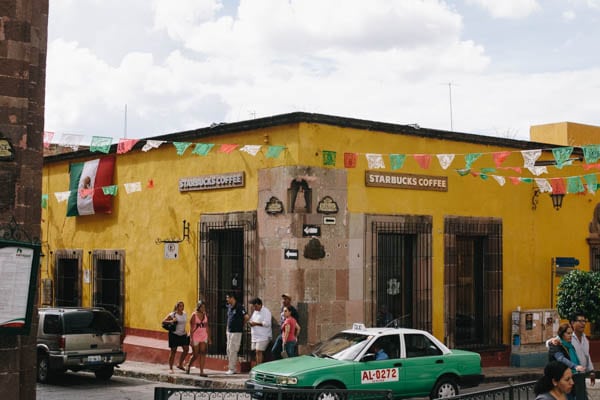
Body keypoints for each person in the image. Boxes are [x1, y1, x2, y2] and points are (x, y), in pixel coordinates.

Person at [548, 314, 596, 400]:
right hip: (566, 377)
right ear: (573, 323)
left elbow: (587, 356)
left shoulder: (584, 339)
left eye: (584, 321)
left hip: (579, 376)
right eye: (580, 321)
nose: (583, 323)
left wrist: (591, 371)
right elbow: (559, 356)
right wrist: (575, 366)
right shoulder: (561, 342)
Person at [162, 300, 189, 373]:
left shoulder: (185, 314)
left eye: (183, 306)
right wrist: (171, 321)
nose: (182, 307)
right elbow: (163, 321)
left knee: (186, 349)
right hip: (174, 334)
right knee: (173, 351)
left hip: (183, 334)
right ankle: (171, 368)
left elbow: (184, 324)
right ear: (177, 307)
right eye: (180, 306)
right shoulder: (173, 314)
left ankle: (180, 364)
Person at [225, 292, 248, 375]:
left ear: (232, 298)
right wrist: (227, 329)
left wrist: (241, 325)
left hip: (236, 332)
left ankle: (232, 368)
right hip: (229, 331)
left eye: (228, 298)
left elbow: (246, 317)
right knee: (228, 350)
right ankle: (231, 367)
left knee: (233, 350)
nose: (227, 299)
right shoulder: (229, 307)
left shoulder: (239, 307)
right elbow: (229, 319)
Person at [271, 293, 300, 359]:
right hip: (282, 334)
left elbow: (296, 325)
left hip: (289, 336)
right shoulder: (283, 309)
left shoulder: (293, 311)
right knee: (275, 351)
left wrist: (295, 336)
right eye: (283, 299)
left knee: (290, 354)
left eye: (286, 299)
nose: (283, 300)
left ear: (289, 300)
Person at [187, 300, 210, 377]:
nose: (203, 308)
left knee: (203, 353)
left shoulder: (205, 314)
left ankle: (202, 371)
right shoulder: (194, 315)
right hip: (195, 336)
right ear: (198, 307)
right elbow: (191, 328)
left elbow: (207, 327)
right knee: (195, 354)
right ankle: (188, 365)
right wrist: (191, 339)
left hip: (203, 336)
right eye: (202, 307)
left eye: (204, 307)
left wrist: (209, 337)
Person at [248, 297, 272, 365]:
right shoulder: (255, 312)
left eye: (255, 306)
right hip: (255, 336)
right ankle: (256, 366)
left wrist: (255, 324)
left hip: (263, 336)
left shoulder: (266, 311)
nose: (254, 308)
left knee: (259, 351)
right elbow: (252, 320)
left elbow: (267, 323)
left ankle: (259, 366)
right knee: (254, 351)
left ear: (259, 304)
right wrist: (251, 323)